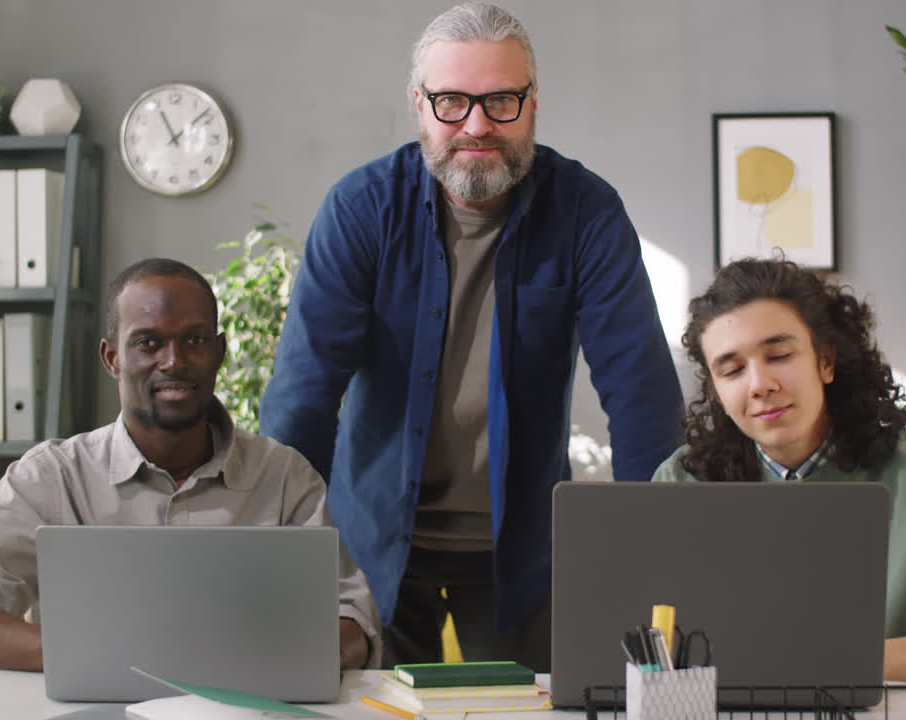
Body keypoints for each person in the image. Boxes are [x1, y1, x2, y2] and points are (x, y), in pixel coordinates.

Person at [259, 3, 683, 670]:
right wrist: (286, 556)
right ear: (418, 106)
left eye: (501, 101)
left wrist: (648, 564)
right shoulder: (362, 210)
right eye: (452, 101)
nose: (477, 124)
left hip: (520, 551)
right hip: (372, 542)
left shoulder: (586, 213)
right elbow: (303, 399)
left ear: (533, 104)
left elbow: (642, 400)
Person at [0, 258, 380, 672]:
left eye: (194, 340)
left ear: (218, 352)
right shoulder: (51, 477)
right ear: (112, 357)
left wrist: (247, 660)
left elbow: (353, 620)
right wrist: (101, 656)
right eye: (148, 343)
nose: (174, 362)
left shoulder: (283, 476)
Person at [652, 257, 906, 685]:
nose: (758, 384)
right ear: (717, 391)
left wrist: (847, 660)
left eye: (778, 355)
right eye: (733, 369)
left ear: (826, 362)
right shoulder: (680, 483)